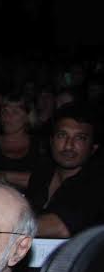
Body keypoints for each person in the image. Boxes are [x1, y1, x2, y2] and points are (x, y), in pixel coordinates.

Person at [25, 101, 103, 238]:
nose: (68, 146)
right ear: (51, 141)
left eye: (80, 138)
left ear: (93, 148)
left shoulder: (96, 181)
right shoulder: (43, 172)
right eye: (62, 135)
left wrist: (1, 227)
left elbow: (60, 227)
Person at [0, 90, 42, 191]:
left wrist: (5, 175)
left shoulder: (40, 146)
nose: (8, 116)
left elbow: (44, 180)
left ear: (28, 116)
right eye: (5, 111)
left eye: (15, 112)